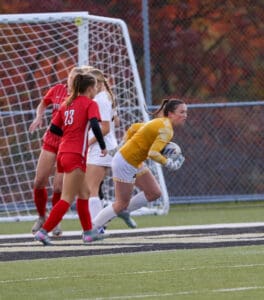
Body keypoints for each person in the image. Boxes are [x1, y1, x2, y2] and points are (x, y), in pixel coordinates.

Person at [92, 99, 187, 230]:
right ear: (170, 114)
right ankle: (92, 228)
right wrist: (169, 163)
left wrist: (122, 145)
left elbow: (134, 127)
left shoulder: (159, 122)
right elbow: (154, 153)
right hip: (126, 162)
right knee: (121, 203)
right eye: (181, 112)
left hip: (133, 161)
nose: (185, 115)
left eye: (186, 112)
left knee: (154, 192)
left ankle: (123, 211)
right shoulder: (167, 129)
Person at [34, 73, 107, 245]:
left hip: (62, 153)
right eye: (95, 87)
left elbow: (54, 128)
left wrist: (69, 133)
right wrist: (102, 146)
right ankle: (43, 232)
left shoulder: (67, 104)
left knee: (84, 193)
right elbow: (96, 125)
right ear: (89, 89)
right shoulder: (90, 103)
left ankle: (88, 232)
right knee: (67, 198)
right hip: (76, 155)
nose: (97, 89)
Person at [29, 67, 83, 237]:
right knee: (39, 181)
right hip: (51, 140)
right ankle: (41, 217)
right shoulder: (57, 89)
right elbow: (43, 104)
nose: (71, 80)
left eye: (75, 78)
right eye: (70, 77)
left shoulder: (81, 97)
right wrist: (39, 116)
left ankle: (55, 220)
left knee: (59, 186)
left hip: (67, 144)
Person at [84, 68, 137, 229]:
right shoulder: (106, 97)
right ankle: (108, 218)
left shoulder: (99, 100)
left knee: (91, 190)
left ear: (97, 84)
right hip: (109, 147)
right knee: (95, 189)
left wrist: (87, 143)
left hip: (101, 149)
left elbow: (106, 128)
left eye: (89, 84)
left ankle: (97, 226)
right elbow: (116, 122)